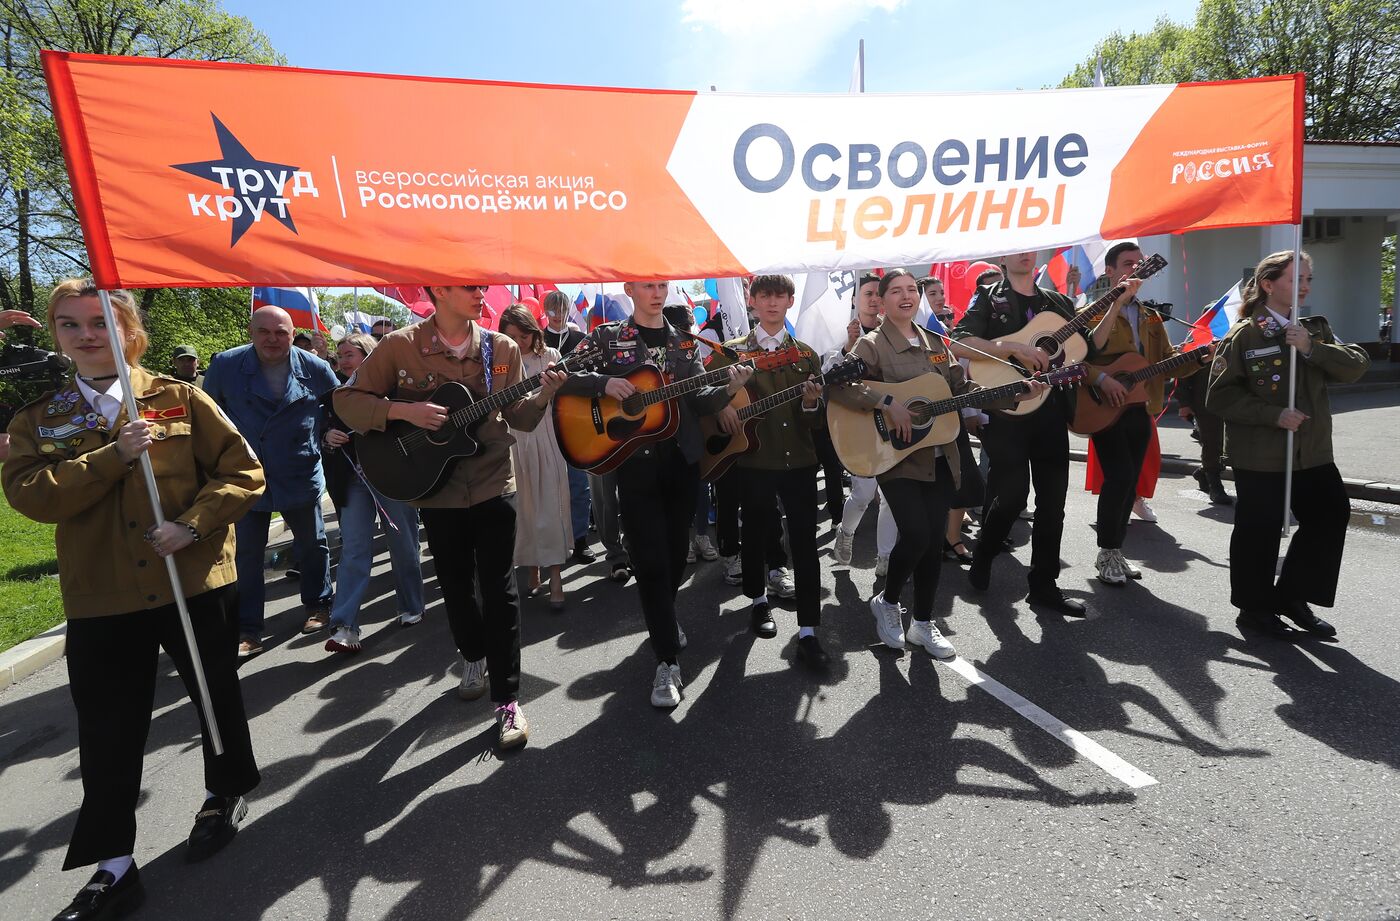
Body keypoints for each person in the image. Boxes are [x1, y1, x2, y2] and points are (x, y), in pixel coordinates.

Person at [2, 280, 264, 920]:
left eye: (101, 322)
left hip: (191, 579)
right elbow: (31, 495)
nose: (88, 335)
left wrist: (194, 524)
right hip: (103, 595)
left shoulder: (180, 399)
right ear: (55, 335)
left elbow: (243, 471)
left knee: (213, 694)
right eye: (70, 324)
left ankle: (223, 793)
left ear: (129, 332)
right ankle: (113, 863)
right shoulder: (38, 419)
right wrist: (110, 458)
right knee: (108, 729)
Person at [336, 283, 566, 749]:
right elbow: (348, 402)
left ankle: (507, 701)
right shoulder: (400, 345)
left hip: (492, 483)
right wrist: (406, 410)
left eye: (483, 286)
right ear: (438, 290)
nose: (481, 292)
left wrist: (543, 396)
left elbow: (519, 419)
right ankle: (473, 656)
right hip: (435, 492)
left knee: (501, 592)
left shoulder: (501, 347)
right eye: (469, 286)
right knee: (457, 587)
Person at [559, 279, 751, 707]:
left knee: (675, 556)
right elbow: (562, 373)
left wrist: (731, 388)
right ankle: (667, 661)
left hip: (681, 462)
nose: (657, 292)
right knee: (648, 563)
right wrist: (602, 384)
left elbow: (701, 398)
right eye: (648, 285)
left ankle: (663, 618)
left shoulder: (685, 342)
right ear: (630, 288)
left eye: (662, 284)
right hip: (633, 466)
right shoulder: (608, 338)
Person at [832, 270, 1041, 656]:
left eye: (911, 289)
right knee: (915, 534)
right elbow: (840, 385)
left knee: (931, 544)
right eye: (895, 291)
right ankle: (889, 601)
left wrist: (1015, 393)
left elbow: (962, 392)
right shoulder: (871, 345)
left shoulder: (937, 343)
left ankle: (924, 624)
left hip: (942, 454)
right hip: (894, 457)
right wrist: (886, 403)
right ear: (883, 299)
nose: (906, 296)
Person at [1206, 250, 1369, 638]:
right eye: (1297, 279)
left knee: (1330, 515)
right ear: (1268, 284)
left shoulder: (1314, 329)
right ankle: (1254, 608)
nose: (1305, 287)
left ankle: (1293, 596)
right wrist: (1272, 414)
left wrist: (1312, 348)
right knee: (1258, 531)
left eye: (1309, 279)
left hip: (1310, 451)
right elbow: (1219, 397)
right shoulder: (1245, 334)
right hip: (1261, 455)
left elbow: (1356, 365)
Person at [953, 252, 1104, 616]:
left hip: (1052, 414)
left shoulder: (1056, 302)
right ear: (1003, 257)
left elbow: (1089, 345)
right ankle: (984, 554)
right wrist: (1014, 347)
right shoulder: (989, 297)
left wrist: (1116, 299)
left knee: (1053, 505)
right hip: (1008, 412)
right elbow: (959, 342)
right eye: (1017, 248)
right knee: (1012, 498)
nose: (1026, 252)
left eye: (1031, 247)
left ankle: (1044, 586)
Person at [203, 306, 340, 656]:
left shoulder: (315, 367)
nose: (272, 339)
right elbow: (208, 417)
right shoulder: (226, 365)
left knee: (312, 545)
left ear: (292, 335)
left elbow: (340, 408)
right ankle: (248, 628)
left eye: (281, 332)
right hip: (247, 476)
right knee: (246, 555)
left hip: (299, 470)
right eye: (264, 331)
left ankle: (318, 605)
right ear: (251, 331)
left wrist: (327, 435)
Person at [711, 275, 829, 666]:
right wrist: (724, 404)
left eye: (780, 295)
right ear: (752, 300)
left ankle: (809, 629)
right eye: (765, 296)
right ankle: (758, 600)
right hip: (752, 461)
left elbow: (815, 422)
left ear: (791, 300)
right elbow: (704, 401)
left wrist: (812, 404)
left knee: (805, 543)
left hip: (799, 460)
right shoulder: (729, 352)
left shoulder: (807, 355)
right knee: (757, 532)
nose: (773, 303)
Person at [1079, 241, 1189, 585]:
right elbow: (1079, 358)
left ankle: (1117, 552)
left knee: (1129, 485)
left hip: (1140, 408)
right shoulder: (1092, 313)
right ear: (1110, 271)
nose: (1136, 269)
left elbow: (1164, 365)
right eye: (1128, 264)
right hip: (1103, 409)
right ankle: (1107, 552)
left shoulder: (1151, 316)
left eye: (1139, 263)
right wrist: (1102, 378)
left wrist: (1198, 359)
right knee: (1121, 477)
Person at [320, 333, 425, 654]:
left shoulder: (394, 389)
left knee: (404, 543)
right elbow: (315, 431)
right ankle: (344, 626)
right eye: (339, 355)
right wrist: (328, 435)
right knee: (353, 549)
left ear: (369, 356)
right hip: (352, 482)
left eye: (350, 354)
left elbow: (413, 427)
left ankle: (411, 605)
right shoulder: (333, 395)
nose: (342, 360)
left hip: (394, 478)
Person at [499, 305, 573, 610]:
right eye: (511, 336)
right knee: (525, 510)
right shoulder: (498, 361)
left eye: (523, 334)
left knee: (550, 507)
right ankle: (533, 571)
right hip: (514, 442)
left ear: (533, 331)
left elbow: (560, 397)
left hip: (546, 438)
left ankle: (556, 581)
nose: (519, 342)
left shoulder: (550, 356)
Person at [830, 272, 898, 574]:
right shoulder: (841, 333)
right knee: (863, 493)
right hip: (859, 424)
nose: (872, 299)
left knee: (890, 497)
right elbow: (829, 377)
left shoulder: (893, 333)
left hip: (891, 423)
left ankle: (885, 558)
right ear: (855, 299)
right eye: (867, 293)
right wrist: (849, 347)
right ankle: (845, 532)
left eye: (876, 294)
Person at [540, 290, 595, 564]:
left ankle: (581, 538)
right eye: (553, 310)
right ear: (546, 311)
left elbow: (591, 371)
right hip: (546, 418)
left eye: (562, 309)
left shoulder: (578, 339)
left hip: (576, 416)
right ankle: (553, 540)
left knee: (578, 481)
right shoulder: (538, 340)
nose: (558, 315)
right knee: (548, 482)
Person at [1177, 341, 1233, 505]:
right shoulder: (1200, 346)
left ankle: (1203, 473)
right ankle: (1215, 485)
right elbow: (1183, 375)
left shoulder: (1237, 341)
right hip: (1205, 403)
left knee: (1230, 445)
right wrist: (1184, 404)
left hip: (1233, 402)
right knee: (1212, 442)